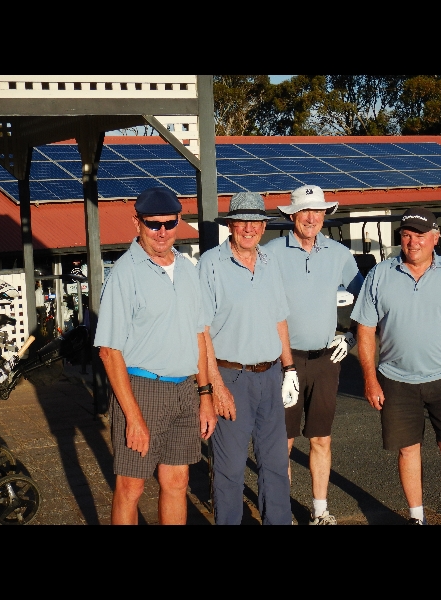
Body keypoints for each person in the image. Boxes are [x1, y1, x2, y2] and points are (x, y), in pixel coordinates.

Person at [352, 206, 441, 525]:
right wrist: (370, 380)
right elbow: (366, 331)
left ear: (435, 238)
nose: (413, 242)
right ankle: (417, 518)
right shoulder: (380, 274)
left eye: (420, 235)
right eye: (406, 235)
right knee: (408, 450)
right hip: (396, 381)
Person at [94, 186, 216, 525]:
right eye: (153, 224)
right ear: (137, 223)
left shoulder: (189, 270)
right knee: (131, 487)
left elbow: (199, 335)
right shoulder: (124, 273)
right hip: (141, 390)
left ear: (178, 222)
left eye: (169, 223)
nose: (162, 232)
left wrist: (206, 396)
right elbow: (109, 351)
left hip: (185, 390)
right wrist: (133, 417)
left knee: (177, 482)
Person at [198, 192, 298, 525]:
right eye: (242, 222)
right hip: (231, 378)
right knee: (229, 469)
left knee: (276, 465)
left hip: (270, 376)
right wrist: (215, 386)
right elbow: (201, 331)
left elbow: (279, 319)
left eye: (255, 223)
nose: (249, 229)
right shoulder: (211, 264)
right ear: (230, 225)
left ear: (263, 227)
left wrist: (289, 368)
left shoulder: (270, 262)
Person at [265, 185, 364, 525]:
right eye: (305, 211)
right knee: (283, 441)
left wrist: (351, 336)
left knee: (321, 438)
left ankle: (320, 511)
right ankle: (280, 512)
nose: (311, 218)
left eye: (317, 211)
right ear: (292, 215)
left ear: (325, 215)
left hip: (325, 360)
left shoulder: (339, 254)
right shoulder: (272, 253)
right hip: (285, 361)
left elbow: (366, 297)